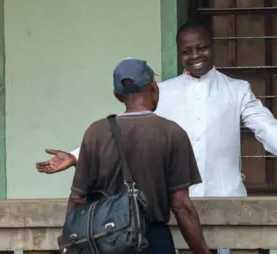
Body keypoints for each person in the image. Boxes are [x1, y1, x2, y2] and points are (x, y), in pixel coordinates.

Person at [38, 21, 277, 253]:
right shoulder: (164, 92)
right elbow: (128, 134)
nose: (195, 55)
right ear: (180, 54)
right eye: (187, 51)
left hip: (227, 201)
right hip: (181, 213)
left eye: (201, 48)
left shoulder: (237, 90)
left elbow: (268, 130)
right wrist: (75, 155)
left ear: (212, 46)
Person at [65, 58, 211, 254]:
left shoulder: (96, 132)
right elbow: (181, 205)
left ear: (118, 95)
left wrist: (71, 242)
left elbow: (77, 198)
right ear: (153, 85)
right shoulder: (172, 132)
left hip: (105, 242)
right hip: (154, 241)